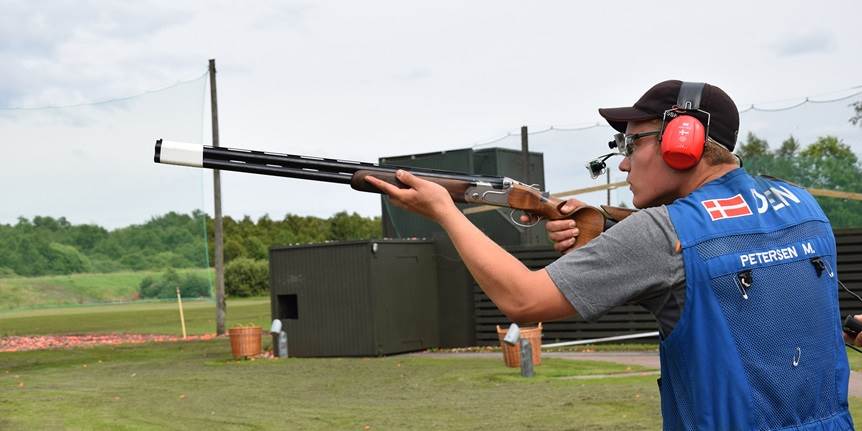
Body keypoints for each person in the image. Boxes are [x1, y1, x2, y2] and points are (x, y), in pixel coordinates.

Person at [365, 80, 853, 430]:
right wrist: (599, 228)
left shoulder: (662, 233)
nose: (622, 159)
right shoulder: (803, 207)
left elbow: (523, 299)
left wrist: (445, 210)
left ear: (683, 142)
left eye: (632, 141)